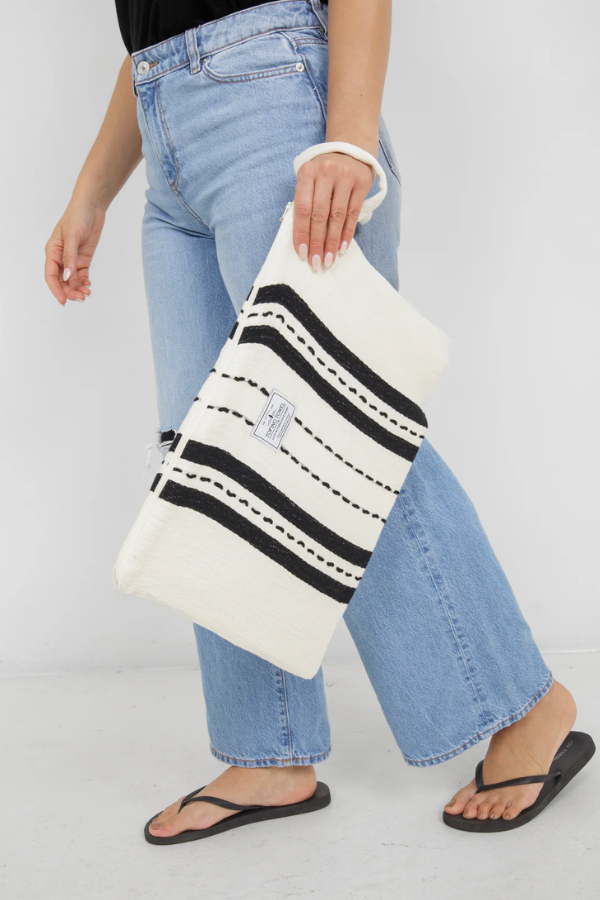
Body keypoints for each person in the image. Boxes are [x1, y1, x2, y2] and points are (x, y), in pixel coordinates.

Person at [44, 0, 589, 842]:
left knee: (343, 437)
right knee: (209, 465)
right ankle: (269, 753)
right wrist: (92, 192)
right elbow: (154, 27)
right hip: (165, 142)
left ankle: (524, 705)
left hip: (272, 105)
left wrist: (351, 137)